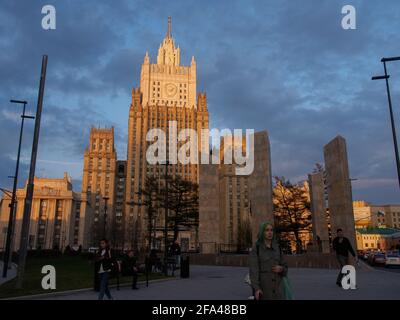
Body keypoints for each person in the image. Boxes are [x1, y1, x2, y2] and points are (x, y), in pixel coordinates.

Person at [249, 222, 292, 300]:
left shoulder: (278, 248)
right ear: (262, 232)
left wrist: (281, 269)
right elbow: (253, 271)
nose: (270, 232)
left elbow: (285, 267)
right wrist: (256, 288)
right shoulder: (257, 249)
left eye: (271, 230)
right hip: (264, 291)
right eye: (267, 230)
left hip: (279, 290)